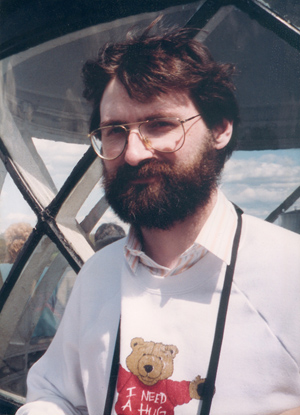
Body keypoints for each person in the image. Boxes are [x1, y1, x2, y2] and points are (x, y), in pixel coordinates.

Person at [16, 21, 300, 415]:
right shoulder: (98, 275)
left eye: (160, 124)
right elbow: (55, 393)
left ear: (219, 129)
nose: (133, 152)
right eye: (115, 130)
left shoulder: (290, 271)